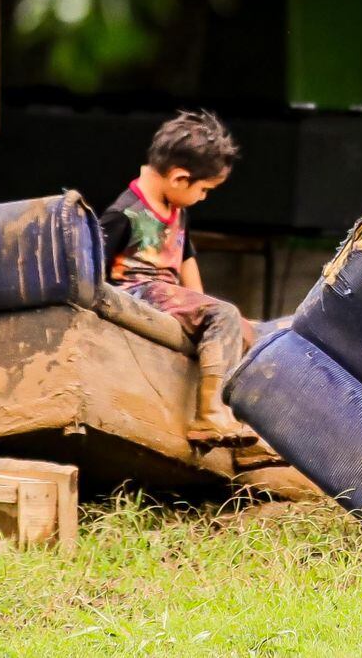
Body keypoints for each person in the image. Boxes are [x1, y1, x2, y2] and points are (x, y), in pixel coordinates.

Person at [100, 110, 258, 448]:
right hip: (138, 293)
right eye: (204, 189)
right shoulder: (124, 214)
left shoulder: (176, 209)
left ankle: (238, 427)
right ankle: (209, 417)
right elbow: (94, 269)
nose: (203, 197)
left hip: (169, 295)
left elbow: (185, 257)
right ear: (179, 178)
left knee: (245, 330)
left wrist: (205, 307)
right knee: (224, 315)